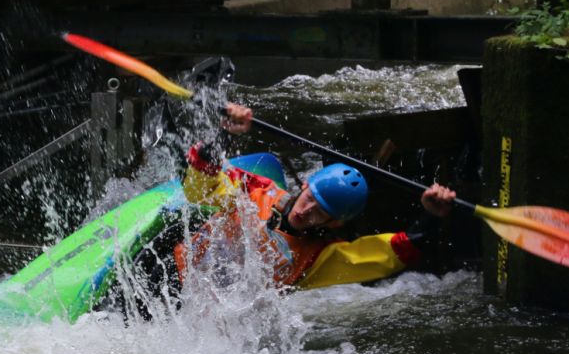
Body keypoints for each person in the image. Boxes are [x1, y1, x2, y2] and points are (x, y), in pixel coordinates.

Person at [170, 102, 458, 291]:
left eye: (320, 212)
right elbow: (201, 187)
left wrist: (431, 213)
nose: (306, 210)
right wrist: (226, 133)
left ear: (332, 223)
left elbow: (395, 252)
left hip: (212, 320)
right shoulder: (258, 190)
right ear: (305, 184)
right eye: (310, 198)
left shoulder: (320, 257)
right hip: (174, 280)